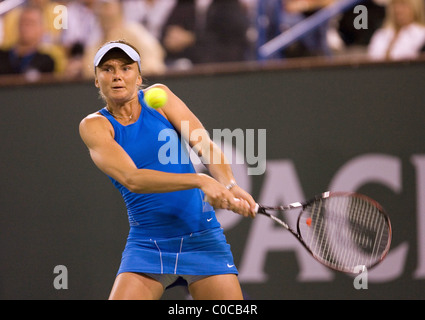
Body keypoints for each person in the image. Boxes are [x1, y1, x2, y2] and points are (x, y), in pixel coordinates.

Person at [79, 40, 257, 300]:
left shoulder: (160, 99)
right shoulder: (94, 125)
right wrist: (200, 180)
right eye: (107, 69)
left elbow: (204, 145)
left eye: (125, 68)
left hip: (201, 236)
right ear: (97, 80)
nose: (117, 75)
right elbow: (133, 179)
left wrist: (229, 185)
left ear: (139, 77)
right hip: (148, 243)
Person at [81, 0, 166, 78]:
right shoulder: (95, 44)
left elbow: (153, 62)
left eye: (109, 10)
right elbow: (89, 72)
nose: (105, 13)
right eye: (102, 12)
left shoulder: (135, 32)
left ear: (119, 12)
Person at [0, 5, 55, 75]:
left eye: (31, 23)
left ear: (41, 29)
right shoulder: (2, 56)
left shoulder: (46, 61)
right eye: (22, 22)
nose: (25, 27)